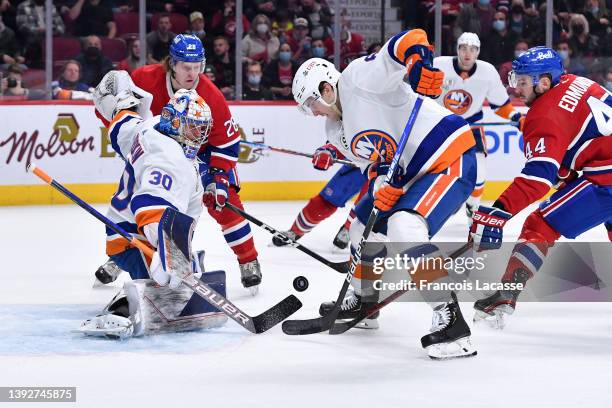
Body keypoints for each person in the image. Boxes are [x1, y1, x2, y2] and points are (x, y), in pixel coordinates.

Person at [292, 29, 478, 359]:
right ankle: (366, 301)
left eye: (312, 104)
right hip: (410, 173)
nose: (314, 112)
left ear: (325, 88)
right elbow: (378, 159)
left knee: (404, 227)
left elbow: (409, 40)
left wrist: (420, 62)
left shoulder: (358, 80)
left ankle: (453, 322)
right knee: (360, 228)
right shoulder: (336, 131)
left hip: (448, 155)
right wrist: (381, 184)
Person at [95, 35, 263, 294]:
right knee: (148, 194)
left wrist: (217, 176)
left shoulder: (212, 95)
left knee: (222, 201)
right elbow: (114, 102)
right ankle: (132, 250)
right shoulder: (145, 78)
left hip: (202, 152)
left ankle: (248, 259)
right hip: (160, 146)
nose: (193, 72)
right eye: (186, 66)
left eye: (198, 66)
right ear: (172, 63)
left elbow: (227, 142)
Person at [471, 47, 612, 328]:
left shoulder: (543, 115)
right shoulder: (577, 81)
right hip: (603, 167)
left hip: (605, 179)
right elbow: (586, 139)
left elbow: (538, 178)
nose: (516, 88)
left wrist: (498, 212)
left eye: (523, 82)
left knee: (540, 223)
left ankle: (505, 295)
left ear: (544, 82)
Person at [83, 72, 227, 339]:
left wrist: (121, 98)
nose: (198, 136)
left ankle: (173, 274)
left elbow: (121, 126)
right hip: (132, 236)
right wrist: (171, 258)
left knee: (177, 272)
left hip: (128, 226)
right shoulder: (169, 159)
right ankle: (120, 311)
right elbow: (151, 210)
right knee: (161, 284)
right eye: (193, 128)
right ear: (176, 124)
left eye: (201, 128)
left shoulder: (151, 125)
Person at [434, 32, 523, 223]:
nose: (467, 54)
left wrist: (515, 116)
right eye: (464, 48)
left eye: (473, 50)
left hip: (471, 127)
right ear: (457, 50)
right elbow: (422, 94)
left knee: (480, 172)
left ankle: (472, 208)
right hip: (440, 126)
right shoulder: (439, 65)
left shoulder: (488, 72)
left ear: (478, 52)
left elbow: (500, 105)